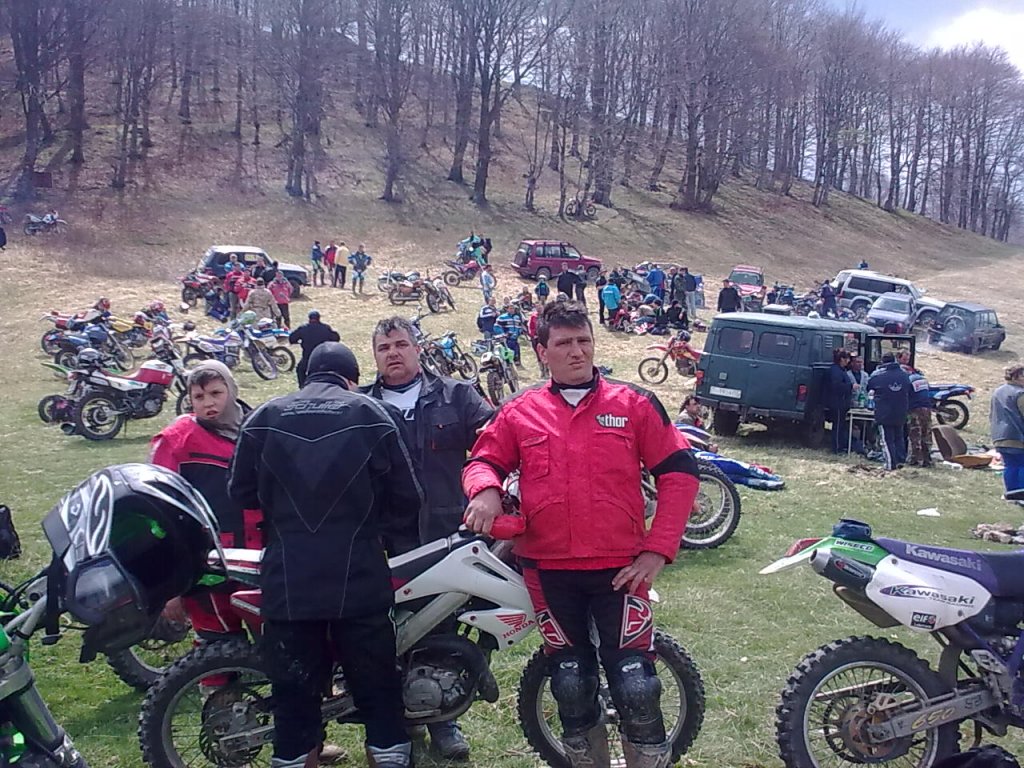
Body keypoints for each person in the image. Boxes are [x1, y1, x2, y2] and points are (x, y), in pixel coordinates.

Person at [462, 300, 700, 768]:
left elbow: (680, 473)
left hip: (622, 570)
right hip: (548, 571)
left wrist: (658, 550)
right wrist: (485, 490)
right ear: (542, 351)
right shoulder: (519, 411)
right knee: (570, 683)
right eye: (564, 343)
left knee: (636, 685)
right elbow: (482, 460)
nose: (577, 351)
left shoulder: (633, 404)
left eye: (584, 341)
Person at [229, 342, 423, 768]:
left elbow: (239, 492)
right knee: (379, 694)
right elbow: (409, 497)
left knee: (293, 700)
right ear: (352, 379)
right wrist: (374, 527)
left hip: (288, 582)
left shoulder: (262, 417)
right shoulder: (373, 413)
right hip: (360, 579)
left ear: (306, 376)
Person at [362, 318, 494, 760]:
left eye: (401, 344)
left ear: (418, 350)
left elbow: (493, 444)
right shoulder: (361, 406)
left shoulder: (458, 396)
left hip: (446, 538)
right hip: (383, 542)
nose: (393, 353)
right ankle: (395, 726)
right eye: (384, 347)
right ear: (375, 355)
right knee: (384, 637)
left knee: (440, 631)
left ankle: (441, 721)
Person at [869, 352, 911, 470]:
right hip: (901, 412)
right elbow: (909, 389)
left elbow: (869, 386)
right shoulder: (904, 375)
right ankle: (900, 461)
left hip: (884, 413)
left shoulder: (878, 376)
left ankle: (890, 464)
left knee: (887, 440)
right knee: (899, 438)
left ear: (882, 362)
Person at [991, 365, 1024, 502]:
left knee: (1010, 465)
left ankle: (1011, 494)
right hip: (1017, 436)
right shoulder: (1020, 393)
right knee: (1021, 465)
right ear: (1016, 376)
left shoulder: (998, 391)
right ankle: (1021, 494)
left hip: (1000, 435)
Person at [288, 310, 341, 387]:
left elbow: (292, 338)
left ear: (309, 318)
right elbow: (336, 338)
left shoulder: (303, 328)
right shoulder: (325, 328)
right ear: (319, 318)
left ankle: (302, 386)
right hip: (323, 356)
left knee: (300, 370)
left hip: (308, 357)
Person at [824, 349, 853, 454]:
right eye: (847, 358)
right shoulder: (835, 371)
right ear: (842, 359)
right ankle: (836, 448)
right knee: (837, 426)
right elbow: (836, 387)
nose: (848, 361)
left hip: (841, 402)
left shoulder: (841, 370)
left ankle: (840, 446)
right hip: (837, 402)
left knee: (841, 426)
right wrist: (850, 386)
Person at [907, 365, 934, 467]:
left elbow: (906, 395)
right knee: (926, 434)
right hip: (927, 408)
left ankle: (916, 460)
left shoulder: (909, 380)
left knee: (915, 434)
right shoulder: (923, 380)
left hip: (915, 409)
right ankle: (927, 460)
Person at [495, 302, 525, 366]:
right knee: (507, 354)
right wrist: (503, 334)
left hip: (515, 339)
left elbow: (519, 326)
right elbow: (496, 326)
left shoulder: (517, 317)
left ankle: (517, 364)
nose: (512, 310)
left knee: (516, 353)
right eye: (510, 308)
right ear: (507, 309)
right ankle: (508, 365)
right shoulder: (502, 317)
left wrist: (519, 332)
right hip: (506, 340)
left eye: (513, 308)